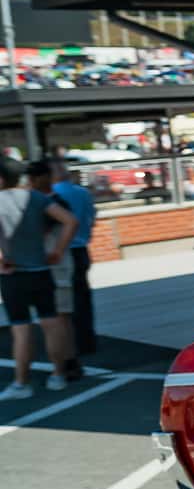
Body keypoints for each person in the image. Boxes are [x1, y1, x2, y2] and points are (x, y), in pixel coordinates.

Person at [0, 159, 79, 399]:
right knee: (51, 324)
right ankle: (57, 375)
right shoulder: (35, 197)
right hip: (41, 271)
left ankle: (21, 383)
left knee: (21, 330)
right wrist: (57, 251)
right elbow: (70, 221)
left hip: (12, 275)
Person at [46, 157, 97, 372]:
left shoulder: (51, 197)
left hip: (64, 251)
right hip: (82, 249)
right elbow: (92, 218)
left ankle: (70, 347)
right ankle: (87, 340)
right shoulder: (83, 193)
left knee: (66, 305)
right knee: (83, 298)